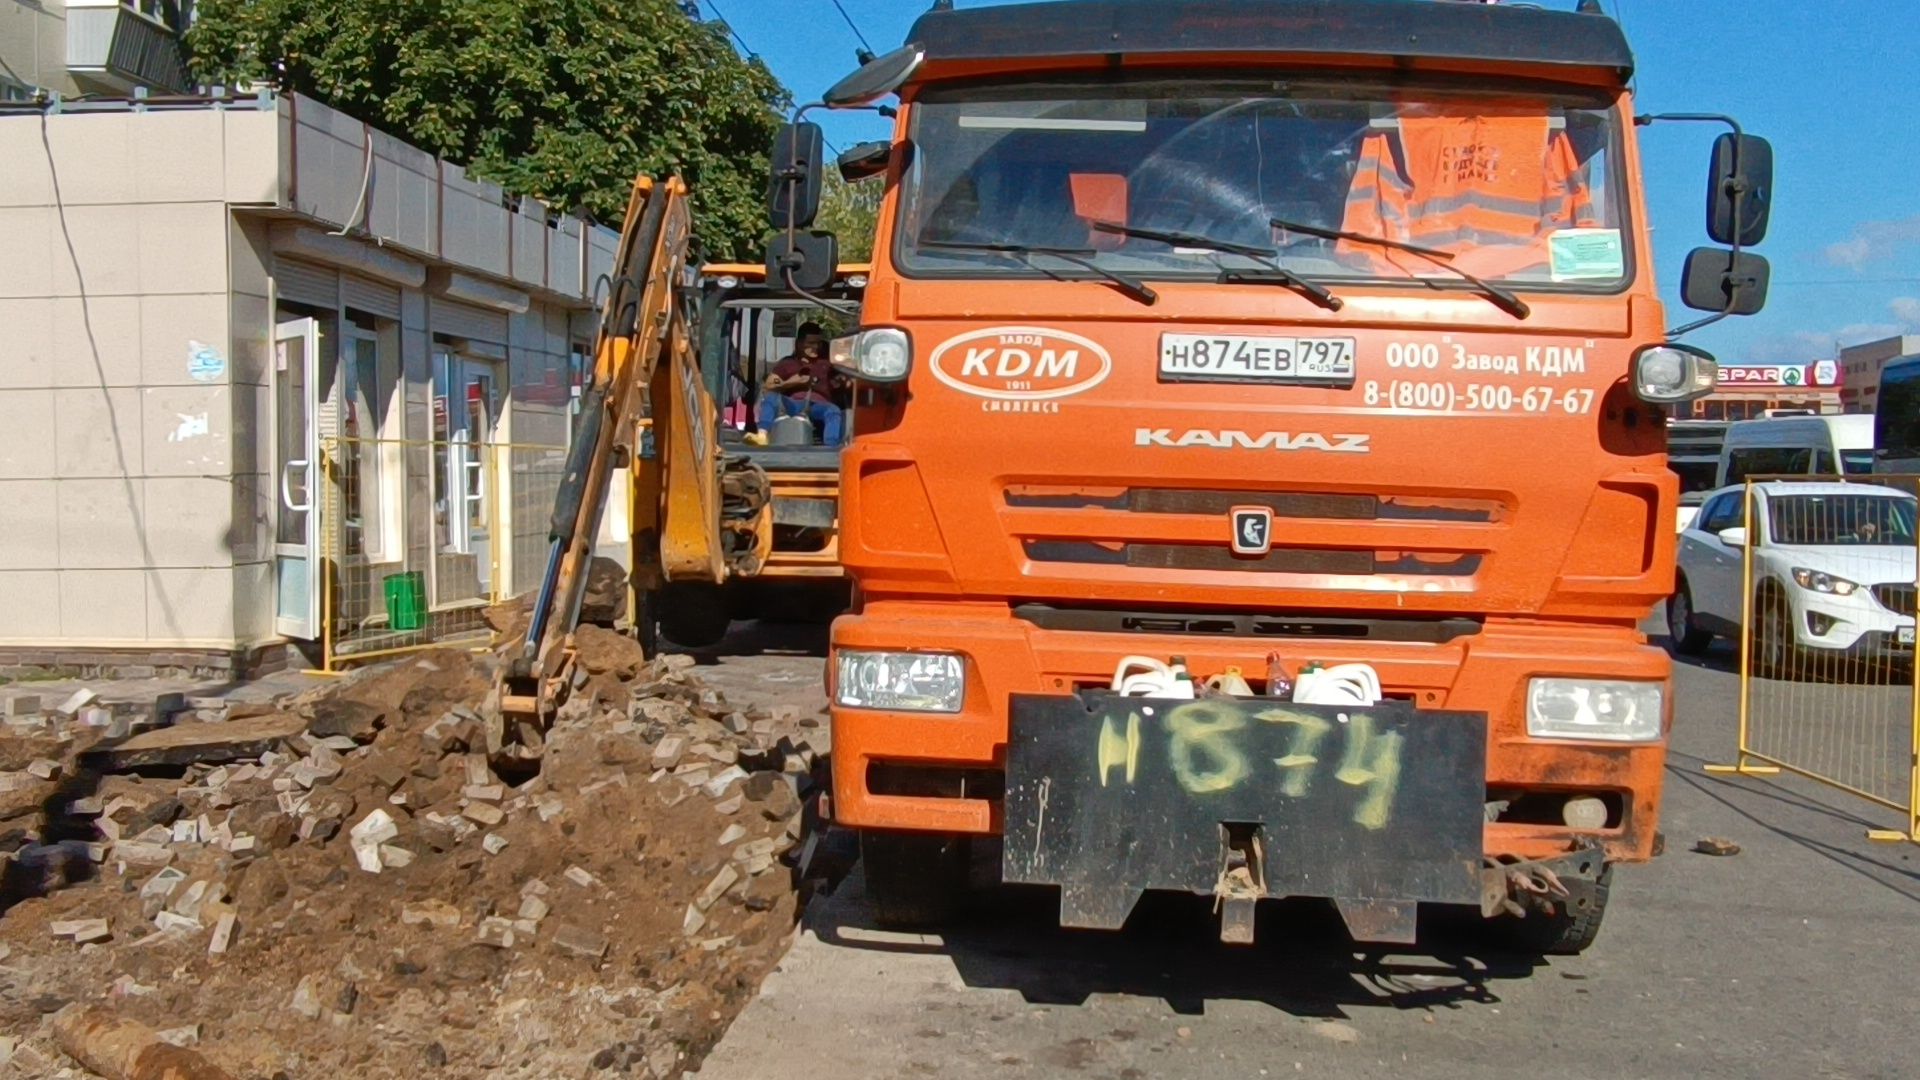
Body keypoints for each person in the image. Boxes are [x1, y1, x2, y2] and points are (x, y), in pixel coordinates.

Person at [757, 322, 844, 445]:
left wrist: (841, 382)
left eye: (818, 343)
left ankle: (831, 447)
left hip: (818, 405)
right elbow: (769, 385)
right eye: (811, 343)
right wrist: (792, 382)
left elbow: (845, 382)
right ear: (799, 344)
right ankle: (762, 434)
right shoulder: (787, 363)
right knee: (770, 399)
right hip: (791, 404)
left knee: (833, 410)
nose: (816, 347)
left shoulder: (828, 364)